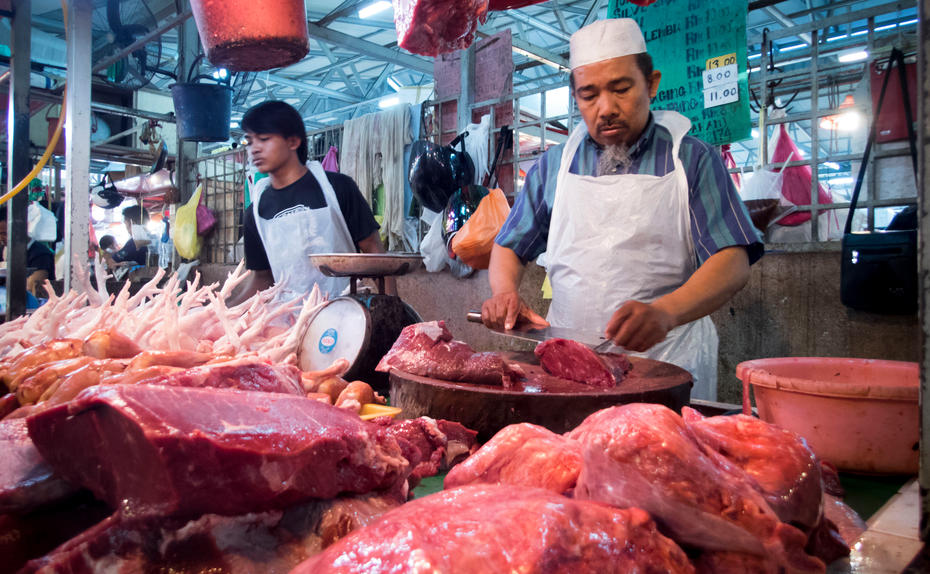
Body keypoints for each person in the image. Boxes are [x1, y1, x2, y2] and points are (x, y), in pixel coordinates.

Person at [480, 18, 763, 400]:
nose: (606, 108)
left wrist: (666, 312)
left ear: (652, 84)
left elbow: (733, 260)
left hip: (667, 363)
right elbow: (509, 246)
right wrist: (504, 291)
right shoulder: (554, 167)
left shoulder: (691, 160)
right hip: (571, 365)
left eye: (621, 89)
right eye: (589, 95)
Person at [229, 100, 392, 305]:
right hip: (287, 326)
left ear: (293, 141)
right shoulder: (256, 212)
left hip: (346, 316)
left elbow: (375, 252)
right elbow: (262, 278)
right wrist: (223, 312)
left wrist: (392, 307)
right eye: (250, 141)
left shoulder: (338, 189)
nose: (254, 149)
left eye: (263, 138)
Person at [0, 209, 55, 299]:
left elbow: (33, 286)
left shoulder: (40, 254)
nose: (1, 238)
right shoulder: (5, 249)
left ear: (22, 228)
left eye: (4, 233)